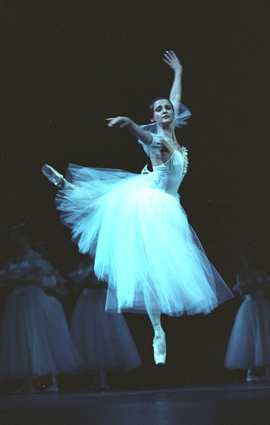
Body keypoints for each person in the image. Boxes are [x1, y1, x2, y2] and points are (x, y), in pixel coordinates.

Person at [42, 51, 233, 365]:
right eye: (158, 109)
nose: (164, 110)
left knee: (151, 262)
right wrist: (129, 122)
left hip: (167, 201)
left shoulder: (173, 133)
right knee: (142, 257)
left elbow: (174, 96)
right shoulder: (157, 140)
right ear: (154, 117)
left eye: (167, 108)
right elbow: (142, 134)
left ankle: (69, 187)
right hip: (154, 204)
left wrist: (179, 71)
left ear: (173, 113)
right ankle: (158, 330)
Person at [0, 224, 83, 394]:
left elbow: (38, 281)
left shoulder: (34, 257)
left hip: (33, 299)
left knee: (37, 335)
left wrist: (17, 282)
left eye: (16, 236)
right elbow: (6, 281)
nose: (13, 240)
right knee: (21, 336)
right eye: (11, 237)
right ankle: (28, 381)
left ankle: (44, 380)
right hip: (17, 300)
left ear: (24, 237)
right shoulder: (11, 261)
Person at [69, 257, 142, 390]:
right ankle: (97, 379)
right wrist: (78, 284)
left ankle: (101, 379)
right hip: (86, 301)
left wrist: (83, 283)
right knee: (90, 337)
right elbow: (76, 289)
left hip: (99, 301)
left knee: (102, 335)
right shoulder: (81, 263)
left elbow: (104, 284)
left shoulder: (103, 260)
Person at [224, 247, 270, 382]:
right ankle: (250, 371)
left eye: (248, 258)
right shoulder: (242, 276)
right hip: (249, 306)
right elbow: (242, 292)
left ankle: (268, 370)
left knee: (263, 335)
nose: (246, 260)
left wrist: (259, 285)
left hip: (261, 304)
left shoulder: (260, 273)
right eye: (244, 258)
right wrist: (257, 285)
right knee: (249, 335)